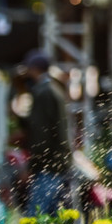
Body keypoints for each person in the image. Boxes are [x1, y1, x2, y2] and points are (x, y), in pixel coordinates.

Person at [20, 49, 73, 215]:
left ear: (34, 69)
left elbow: (40, 135)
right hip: (58, 165)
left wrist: (31, 166)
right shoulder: (54, 89)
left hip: (47, 168)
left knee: (34, 222)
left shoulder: (43, 92)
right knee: (56, 222)